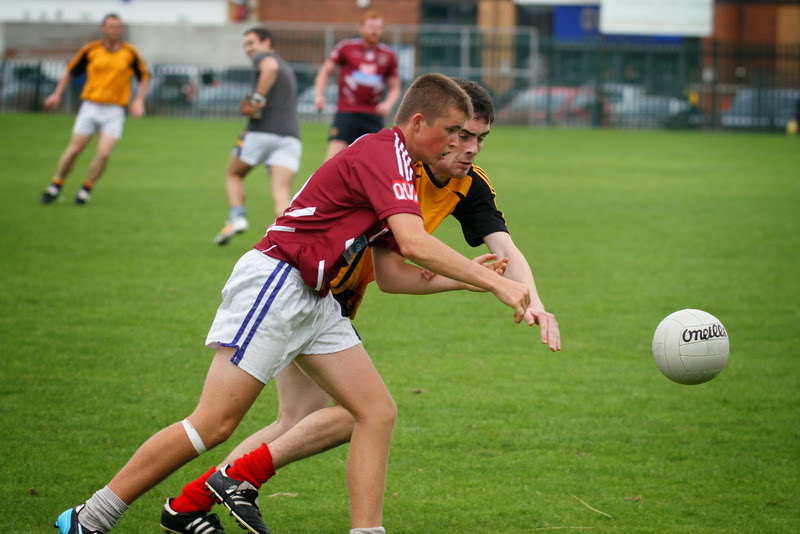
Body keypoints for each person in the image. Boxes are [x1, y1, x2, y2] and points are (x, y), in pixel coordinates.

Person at [53, 73, 531, 534]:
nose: (456, 144)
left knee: (373, 412)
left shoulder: (404, 167)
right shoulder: (381, 152)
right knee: (214, 423)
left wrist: (466, 283)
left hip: (316, 298)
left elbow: (392, 272)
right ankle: (90, 517)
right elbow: (415, 243)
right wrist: (495, 285)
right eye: (452, 132)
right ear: (419, 122)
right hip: (278, 281)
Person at [40, 13, 149, 205]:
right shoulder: (91, 50)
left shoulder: (130, 53)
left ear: (121, 29)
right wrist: (57, 94)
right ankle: (56, 184)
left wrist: (138, 100)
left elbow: (144, 76)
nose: (114, 30)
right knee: (75, 149)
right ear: (103, 28)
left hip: (115, 110)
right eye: (110, 26)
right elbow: (71, 71)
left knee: (104, 153)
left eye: (117, 26)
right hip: (91, 106)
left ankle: (86, 189)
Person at [214, 26, 302, 246]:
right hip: (290, 137)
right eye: (245, 45)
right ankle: (288, 239)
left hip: (261, 132)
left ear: (267, 42)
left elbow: (269, 68)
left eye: (251, 43)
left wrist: (257, 99)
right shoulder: (287, 67)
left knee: (233, 174)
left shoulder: (266, 58)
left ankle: (237, 217)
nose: (248, 49)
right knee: (281, 193)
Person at [313, 10, 401, 160]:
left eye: (378, 27)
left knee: (376, 160)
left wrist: (388, 104)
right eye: (370, 27)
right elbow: (325, 71)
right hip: (347, 111)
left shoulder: (388, 55)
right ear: (361, 28)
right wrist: (319, 95)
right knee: (334, 158)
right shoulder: (346, 48)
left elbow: (395, 86)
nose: (374, 31)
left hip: (373, 114)